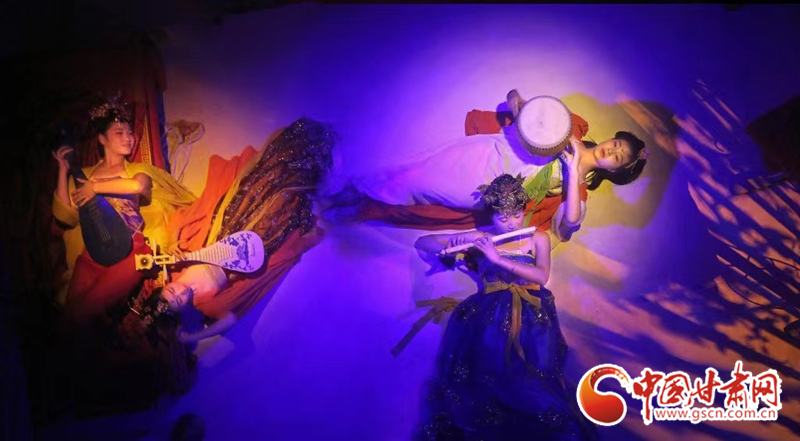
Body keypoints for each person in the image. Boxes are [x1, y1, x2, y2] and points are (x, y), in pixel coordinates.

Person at [407, 174, 596, 440]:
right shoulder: (482, 237)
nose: (511, 223)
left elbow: (542, 276)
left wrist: (497, 259)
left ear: (524, 211)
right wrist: (454, 245)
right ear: (492, 215)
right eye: (503, 218)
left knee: (534, 382)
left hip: (532, 316)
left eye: (517, 215)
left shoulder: (538, 238)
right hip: (487, 315)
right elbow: (422, 243)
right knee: (485, 381)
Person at [324, 90, 648, 243]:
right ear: (612, 138)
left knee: (420, 186)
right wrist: (521, 109)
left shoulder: (576, 188)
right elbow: (514, 96)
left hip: (490, 184)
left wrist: (574, 169)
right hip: (489, 150)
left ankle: (355, 209)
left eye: (618, 157)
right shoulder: (572, 126)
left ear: (614, 170)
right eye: (617, 144)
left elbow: (568, 226)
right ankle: (345, 194)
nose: (612, 151)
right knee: (412, 168)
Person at [127, 117, 335, 344]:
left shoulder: (175, 268)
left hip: (228, 223)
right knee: (281, 200)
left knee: (262, 183)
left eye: (171, 291)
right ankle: (316, 165)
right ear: (182, 308)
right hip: (252, 244)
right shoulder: (205, 304)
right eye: (178, 301)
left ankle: (302, 142)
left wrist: (171, 243)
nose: (180, 293)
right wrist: (193, 336)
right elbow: (230, 319)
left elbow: (177, 220)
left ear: (166, 286)